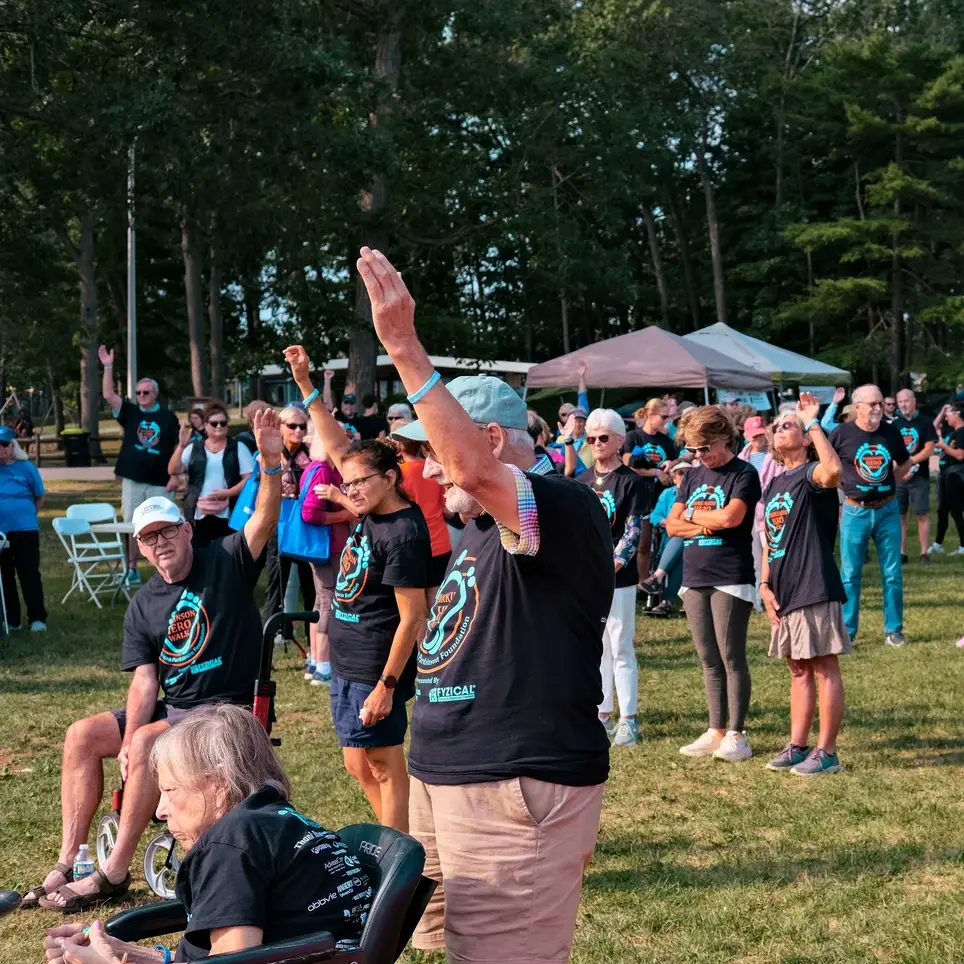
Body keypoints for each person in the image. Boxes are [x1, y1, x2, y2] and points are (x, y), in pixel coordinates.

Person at [354, 247, 611, 964]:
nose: (427, 470)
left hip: (514, 785)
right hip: (447, 776)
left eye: (432, 451)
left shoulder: (561, 506)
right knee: (441, 945)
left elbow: (469, 467)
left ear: (492, 438)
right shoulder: (474, 529)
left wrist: (403, 347)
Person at [24, 410, 282, 913]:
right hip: (175, 707)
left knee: (146, 741)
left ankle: (112, 873)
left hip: (225, 710)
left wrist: (270, 464)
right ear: (140, 547)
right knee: (82, 735)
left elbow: (265, 518)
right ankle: (69, 858)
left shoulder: (226, 560)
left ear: (186, 530)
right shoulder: (143, 604)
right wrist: (125, 741)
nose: (160, 543)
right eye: (149, 537)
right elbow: (145, 680)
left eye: (167, 532)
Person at [43, 704, 371, 964]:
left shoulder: (231, 845)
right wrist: (128, 953)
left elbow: (235, 962)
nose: (160, 811)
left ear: (218, 784)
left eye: (170, 790)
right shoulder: (279, 824)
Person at [286, 345, 430, 833]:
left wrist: (387, 686)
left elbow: (413, 617)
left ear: (390, 478)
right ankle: (399, 838)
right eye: (346, 485)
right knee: (356, 763)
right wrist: (306, 383)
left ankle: (399, 852)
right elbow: (334, 444)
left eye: (359, 484)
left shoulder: (404, 533)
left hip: (375, 665)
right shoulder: (371, 509)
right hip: (347, 661)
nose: (350, 492)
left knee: (384, 763)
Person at [760, 394, 851, 777]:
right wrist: (764, 583)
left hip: (813, 580)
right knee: (798, 668)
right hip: (784, 588)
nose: (780, 429)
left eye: (788, 425)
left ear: (804, 438)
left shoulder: (812, 473)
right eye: (777, 426)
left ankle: (827, 752)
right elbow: (770, 539)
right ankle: (797, 746)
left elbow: (834, 471)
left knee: (823, 666)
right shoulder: (774, 484)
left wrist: (812, 421)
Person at [666, 405, 761, 762]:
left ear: (724, 437)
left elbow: (732, 518)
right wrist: (705, 522)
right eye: (693, 449)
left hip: (730, 575)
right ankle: (715, 729)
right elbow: (672, 525)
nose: (699, 455)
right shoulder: (693, 476)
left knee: (731, 655)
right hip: (695, 576)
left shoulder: (744, 473)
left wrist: (693, 515)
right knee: (708, 658)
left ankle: (737, 733)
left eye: (704, 448)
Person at [566, 409, 648, 747]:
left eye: (603, 437)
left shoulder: (631, 481)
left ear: (619, 440)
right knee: (598, 647)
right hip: (588, 576)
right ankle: (602, 713)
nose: (597, 443)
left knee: (622, 645)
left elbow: (633, 531)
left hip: (619, 577)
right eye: (591, 438)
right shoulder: (582, 481)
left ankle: (629, 718)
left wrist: (611, 565)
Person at [829, 384, 912, 646]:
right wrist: (844, 486)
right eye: (873, 404)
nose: (878, 408)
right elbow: (827, 464)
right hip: (855, 510)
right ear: (858, 407)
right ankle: (848, 631)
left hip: (888, 509)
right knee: (850, 573)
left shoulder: (891, 431)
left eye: (880, 403)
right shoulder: (842, 433)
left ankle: (893, 630)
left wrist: (891, 482)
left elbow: (906, 461)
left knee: (893, 572)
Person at [98, 345, 179, 586]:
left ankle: (166, 569)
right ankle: (132, 569)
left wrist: (176, 475)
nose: (141, 395)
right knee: (132, 524)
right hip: (133, 480)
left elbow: (178, 447)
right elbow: (108, 395)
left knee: (164, 524)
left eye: (145, 392)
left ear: (155, 394)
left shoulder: (168, 417)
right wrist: (108, 366)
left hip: (160, 481)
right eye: (138, 392)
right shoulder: (131, 412)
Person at [301, 435, 356, 686]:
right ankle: (323, 667)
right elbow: (310, 513)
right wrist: (344, 514)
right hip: (328, 546)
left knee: (320, 601)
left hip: (323, 547)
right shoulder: (323, 470)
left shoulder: (314, 467)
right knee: (329, 602)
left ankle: (315, 661)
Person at [168, 402, 255, 549]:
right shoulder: (194, 448)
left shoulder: (237, 448)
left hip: (229, 513)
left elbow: (249, 478)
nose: (219, 427)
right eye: (214, 423)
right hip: (198, 513)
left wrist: (229, 492)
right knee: (199, 553)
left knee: (227, 553)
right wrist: (181, 446)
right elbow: (173, 470)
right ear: (206, 425)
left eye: (223, 423)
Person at [262, 406, 316, 641]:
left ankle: (314, 643)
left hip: (304, 526)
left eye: (302, 426)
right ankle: (270, 636)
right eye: (292, 426)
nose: (298, 430)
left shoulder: (311, 453)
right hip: (280, 524)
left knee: (310, 585)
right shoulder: (271, 452)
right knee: (276, 583)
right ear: (281, 428)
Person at [621, 397, 677, 582]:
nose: (666, 421)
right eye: (664, 417)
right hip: (639, 496)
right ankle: (642, 582)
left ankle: (658, 580)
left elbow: (674, 463)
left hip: (660, 496)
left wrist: (671, 468)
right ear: (651, 415)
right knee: (642, 544)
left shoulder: (666, 441)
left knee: (662, 543)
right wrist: (655, 472)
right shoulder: (634, 436)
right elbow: (628, 465)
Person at [0, 426, 47, 631]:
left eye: (4, 444)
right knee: (4, 576)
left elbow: (39, 496)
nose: (1, 449)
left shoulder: (26, 468)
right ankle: (12, 621)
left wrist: (26, 516)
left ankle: (37, 618)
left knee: (29, 573)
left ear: (13, 446)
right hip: (1, 532)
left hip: (25, 530)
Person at [395, 436, 453, 598]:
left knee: (415, 603)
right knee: (438, 600)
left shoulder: (396, 474)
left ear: (399, 446)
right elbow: (448, 510)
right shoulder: (436, 469)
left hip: (411, 544)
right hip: (439, 542)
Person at [737, 415, 784, 609]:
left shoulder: (776, 456)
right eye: (754, 435)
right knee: (755, 559)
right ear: (746, 436)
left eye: (761, 434)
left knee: (776, 556)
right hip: (748, 515)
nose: (758, 439)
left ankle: (780, 595)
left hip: (771, 513)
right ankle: (758, 600)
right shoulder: (741, 459)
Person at [639, 460, 693, 614]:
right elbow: (655, 516)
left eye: (688, 473)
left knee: (682, 542)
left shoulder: (697, 494)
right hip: (671, 537)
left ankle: (659, 581)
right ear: (674, 477)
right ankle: (668, 599)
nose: (684, 476)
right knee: (680, 544)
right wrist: (673, 523)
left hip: (693, 537)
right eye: (680, 473)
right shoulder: (668, 494)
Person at [893, 388, 937, 565]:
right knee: (900, 515)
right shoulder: (895, 424)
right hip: (900, 477)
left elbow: (929, 449)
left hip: (920, 476)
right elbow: (891, 450)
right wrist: (900, 468)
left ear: (914, 401)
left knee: (922, 513)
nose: (903, 404)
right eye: (900, 402)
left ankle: (924, 553)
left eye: (906, 401)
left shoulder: (925, 422)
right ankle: (901, 553)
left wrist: (910, 463)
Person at [929, 405, 964, 555]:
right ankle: (938, 544)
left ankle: (963, 546)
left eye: (948, 414)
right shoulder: (951, 432)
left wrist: (944, 446)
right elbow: (932, 428)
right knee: (942, 511)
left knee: (956, 511)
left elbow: (960, 455)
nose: (945, 417)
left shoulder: (962, 432)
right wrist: (942, 410)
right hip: (945, 476)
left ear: (957, 413)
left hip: (956, 475)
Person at [556, 359, 590, 436]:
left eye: (570, 412)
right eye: (564, 414)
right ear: (561, 420)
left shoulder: (582, 411)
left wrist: (581, 377)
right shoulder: (561, 434)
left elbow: (582, 394)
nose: (569, 416)